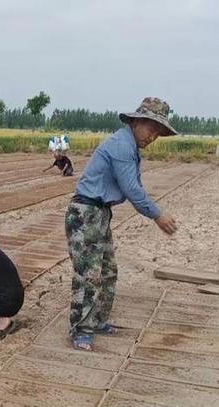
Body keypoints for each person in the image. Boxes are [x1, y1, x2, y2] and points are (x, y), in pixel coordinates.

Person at [66, 97, 179, 351]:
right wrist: (157, 214)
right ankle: (80, 329)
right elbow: (132, 190)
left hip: (100, 213)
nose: (152, 137)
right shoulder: (120, 146)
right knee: (89, 274)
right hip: (86, 213)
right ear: (137, 121)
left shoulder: (129, 147)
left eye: (158, 134)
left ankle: (96, 321)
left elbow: (133, 186)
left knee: (107, 271)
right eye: (151, 130)